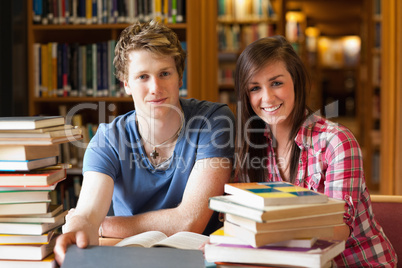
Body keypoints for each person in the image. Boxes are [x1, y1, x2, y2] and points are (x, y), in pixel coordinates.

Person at [54, 21, 235, 264]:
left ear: (179, 77)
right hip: (132, 257)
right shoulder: (108, 139)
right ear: (126, 83)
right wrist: (79, 226)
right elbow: (87, 213)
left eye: (164, 73)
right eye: (142, 77)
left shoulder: (213, 122)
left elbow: (190, 221)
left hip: (198, 259)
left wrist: (106, 224)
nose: (155, 88)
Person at [234, 35, 397, 267]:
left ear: (297, 81)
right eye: (255, 88)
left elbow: (337, 229)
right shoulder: (252, 147)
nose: (267, 97)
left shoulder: (337, 142)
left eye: (276, 83)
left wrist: (269, 230)